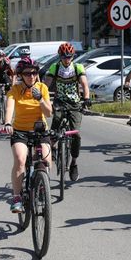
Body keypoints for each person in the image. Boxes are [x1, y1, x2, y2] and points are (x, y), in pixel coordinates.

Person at [2, 57, 52, 213]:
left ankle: (42, 187)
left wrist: (40, 99)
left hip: (40, 130)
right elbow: (9, 107)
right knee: (20, 159)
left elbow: (48, 113)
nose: (31, 76)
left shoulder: (42, 88)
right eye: (27, 73)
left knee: (46, 160)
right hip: (20, 131)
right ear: (20, 75)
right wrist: (7, 123)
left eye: (34, 73)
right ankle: (17, 197)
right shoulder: (15, 90)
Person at [44, 42, 91, 181]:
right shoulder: (55, 67)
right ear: (60, 57)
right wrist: (43, 98)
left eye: (69, 57)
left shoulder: (77, 67)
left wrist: (86, 98)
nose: (66, 59)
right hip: (59, 101)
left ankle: (74, 163)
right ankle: (51, 149)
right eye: (64, 57)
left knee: (76, 135)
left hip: (74, 103)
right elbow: (46, 85)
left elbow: (84, 84)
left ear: (72, 56)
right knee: (55, 127)